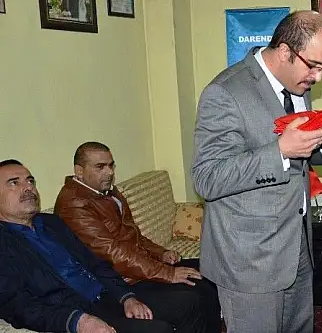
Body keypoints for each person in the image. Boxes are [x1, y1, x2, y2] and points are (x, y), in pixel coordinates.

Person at [192, 10, 322, 333]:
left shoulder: (297, 85)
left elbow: (297, 156)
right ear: (284, 52)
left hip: (296, 247)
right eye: (313, 66)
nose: (318, 78)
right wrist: (279, 151)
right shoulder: (225, 92)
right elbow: (207, 177)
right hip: (249, 260)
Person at [0, 159, 206, 333]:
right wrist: (77, 321)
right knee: (159, 330)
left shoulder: (51, 223)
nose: (28, 187)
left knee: (190, 302)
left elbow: (95, 262)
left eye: (30, 180)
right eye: (14, 183)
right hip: (75, 311)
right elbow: (16, 305)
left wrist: (127, 297)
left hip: (108, 295)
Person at [54, 142, 222, 332]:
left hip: (139, 268)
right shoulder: (74, 205)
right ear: (79, 171)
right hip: (119, 282)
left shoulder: (108, 191)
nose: (109, 172)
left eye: (111, 165)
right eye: (100, 167)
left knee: (208, 274)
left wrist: (161, 253)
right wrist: (167, 273)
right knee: (190, 301)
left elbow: (134, 235)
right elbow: (112, 253)